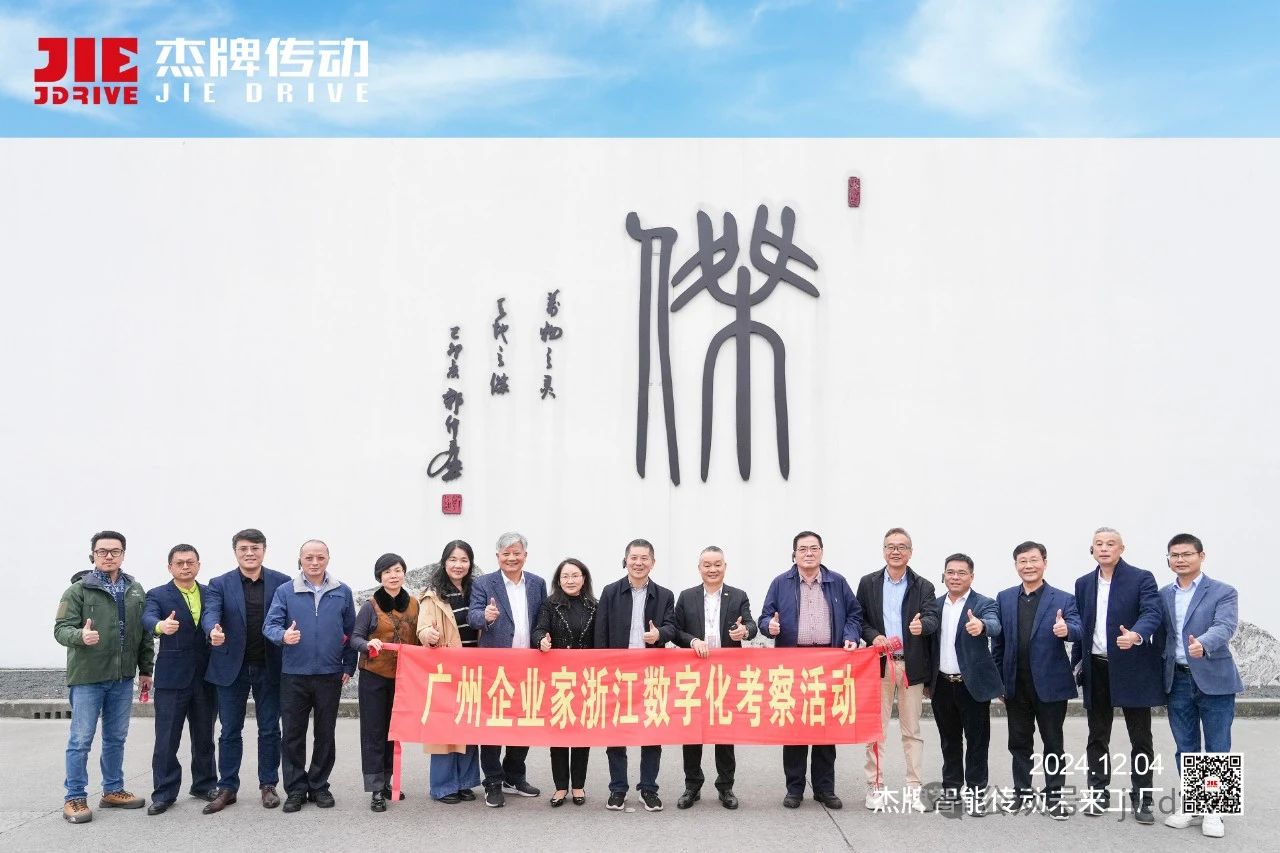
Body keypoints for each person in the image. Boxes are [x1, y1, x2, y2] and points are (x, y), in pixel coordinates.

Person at [53, 530, 154, 823]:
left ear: (123, 554)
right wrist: (80, 636)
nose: (108, 556)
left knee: (115, 738)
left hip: (122, 678)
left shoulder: (135, 590)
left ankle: (112, 790)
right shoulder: (77, 591)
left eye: (115, 551)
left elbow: (144, 634)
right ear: (93, 556)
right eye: (102, 551)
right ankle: (74, 797)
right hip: (88, 677)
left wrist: (146, 670)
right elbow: (60, 629)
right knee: (81, 739)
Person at [759, 530, 862, 810]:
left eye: (813, 548)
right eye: (802, 549)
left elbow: (855, 614)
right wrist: (770, 626)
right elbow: (765, 617)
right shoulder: (780, 583)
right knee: (795, 729)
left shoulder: (837, 582)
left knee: (825, 729)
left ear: (822, 552)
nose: (808, 553)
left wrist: (850, 635)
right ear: (794, 554)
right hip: (793, 664)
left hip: (829, 663)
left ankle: (824, 789)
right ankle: (794, 789)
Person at [1070, 527, 1164, 823]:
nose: (1104, 548)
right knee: (1097, 735)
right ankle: (1098, 792)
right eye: (1098, 544)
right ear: (1092, 550)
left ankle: (1143, 798)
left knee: (1141, 737)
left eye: (1111, 543)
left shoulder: (1141, 578)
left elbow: (1152, 613)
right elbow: (1083, 627)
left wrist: (1136, 634)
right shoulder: (1083, 583)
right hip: (1097, 667)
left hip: (1132, 666)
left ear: (1122, 549)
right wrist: (1077, 664)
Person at [263, 540, 357, 813]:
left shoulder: (342, 591)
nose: (314, 562)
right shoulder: (286, 591)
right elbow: (270, 625)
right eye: (309, 557)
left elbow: (351, 632)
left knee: (325, 733)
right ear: (300, 559)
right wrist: (283, 635)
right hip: (294, 674)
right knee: (293, 734)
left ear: (328, 558)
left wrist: (348, 666)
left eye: (320, 557)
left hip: (330, 673)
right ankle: (295, 789)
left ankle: (319, 786)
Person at [1160, 533, 1244, 839]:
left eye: (1186, 554)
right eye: (1174, 555)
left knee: (1218, 747)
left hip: (1214, 677)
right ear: (1169, 560)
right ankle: (1193, 804)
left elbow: (1225, 626)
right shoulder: (1163, 594)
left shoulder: (1223, 591)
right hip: (1178, 679)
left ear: (1201, 556)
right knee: (1186, 747)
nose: (1180, 559)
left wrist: (1203, 644)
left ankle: (1215, 810)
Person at [201, 528, 290, 813]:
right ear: (235, 552)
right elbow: (210, 613)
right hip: (231, 667)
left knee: (270, 729)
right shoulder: (219, 583)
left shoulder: (282, 582)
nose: (249, 553)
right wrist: (212, 631)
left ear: (264, 550)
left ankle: (268, 785)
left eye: (255, 548)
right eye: (243, 548)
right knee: (229, 730)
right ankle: (227, 787)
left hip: (270, 665)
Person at [991, 541, 1082, 820]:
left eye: (1034, 560)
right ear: (1016, 565)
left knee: (1053, 743)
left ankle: (1054, 797)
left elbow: (1079, 628)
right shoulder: (1005, 598)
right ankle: (1022, 794)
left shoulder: (1063, 598)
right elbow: (998, 644)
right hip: (1015, 684)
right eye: (1023, 561)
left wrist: (1066, 629)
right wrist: (999, 681)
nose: (1028, 566)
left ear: (1045, 562)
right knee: (1019, 743)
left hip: (1050, 685)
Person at [855, 527, 939, 812]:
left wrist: (922, 626)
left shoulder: (923, 586)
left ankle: (914, 787)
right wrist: (872, 636)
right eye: (890, 546)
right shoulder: (868, 583)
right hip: (878, 665)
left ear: (910, 553)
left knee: (912, 730)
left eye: (902, 546)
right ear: (883, 551)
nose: (895, 551)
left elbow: (932, 618)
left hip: (910, 665)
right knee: (875, 729)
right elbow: (859, 619)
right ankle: (875, 786)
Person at [595, 538, 678, 812]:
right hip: (617, 672)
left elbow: (672, 627)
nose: (638, 563)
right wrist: (602, 671)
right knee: (616, 734)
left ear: (652, 563)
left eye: (644, 558)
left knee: (652, 732)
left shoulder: (664, 595)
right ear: (626, 560)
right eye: (634, 558)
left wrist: (659, 634)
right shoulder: (610, 592)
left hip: (651, 672)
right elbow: (600, 634)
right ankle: (618, 789)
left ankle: (649, 789)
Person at [672, 546, 756, 810]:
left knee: (724, 730)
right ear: (699, 568)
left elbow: (752, 626)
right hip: (694, 673)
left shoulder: (738, 595)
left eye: (717, 564)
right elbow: (675, 631)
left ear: (725, 567)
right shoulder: (686, 596)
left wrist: (744, 631)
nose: (712, 569)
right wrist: (692, 640)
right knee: (692, 730)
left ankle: (726, 786)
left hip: (725, 674)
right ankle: (692, 786)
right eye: (707, 565)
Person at [468, 532, 548, 807]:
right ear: (498, 557)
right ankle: (492, 780)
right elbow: (473, 616)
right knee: (493, 725)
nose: (511, 558)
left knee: (524, 723)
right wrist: (485, 617)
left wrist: (542, 638)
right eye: (506, 554)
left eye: (516, 553)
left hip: (529, 667)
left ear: (525, 555)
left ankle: (514, 776)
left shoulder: (537, 583)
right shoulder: (483, 583)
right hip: (495, 668)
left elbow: (542, 620)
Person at [142, 544, 217, 815]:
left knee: (205, 736)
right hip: (172, 679)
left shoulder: (210, 593)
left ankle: (204, 784)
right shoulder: (158, 594)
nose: (185, 567)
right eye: (179, 563)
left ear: (198, 565)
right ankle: (164, 793)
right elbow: (148, 617)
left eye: (190, 562)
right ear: (170, 567)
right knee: (166, 739)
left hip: (206, 677)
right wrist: (160, 626)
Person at [928, 553, 1002, 817]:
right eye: (950, 572)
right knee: (949, 742)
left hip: (972, 686)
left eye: (961, 573)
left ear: (971, 576)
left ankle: (976, 794)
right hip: (942, 685)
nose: (955, 577)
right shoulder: (935, 605)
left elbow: (995, 625)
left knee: (977, 743)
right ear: (944, 575)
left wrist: (981, 625)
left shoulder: (983, 603)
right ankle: (951, 791)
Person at [350, 552, 420, 812]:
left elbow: (419, 637)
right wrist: (368, 644)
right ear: (380, 576)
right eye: (387, 571)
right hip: (374, 676)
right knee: (374, 732)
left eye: (398, 570)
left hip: (403, 677)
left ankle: (388, 781)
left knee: (395, 731)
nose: (393, 575)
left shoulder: (414, 604)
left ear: (404, 573)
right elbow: (355, 637)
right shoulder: (370, 606)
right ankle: (376, 788)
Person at [418, 540, 482, 804]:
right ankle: (443, 786)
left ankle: (465, 783)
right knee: (444, 728)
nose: (458, 565)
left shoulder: (477, 590)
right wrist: (428, 635)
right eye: (453, 559)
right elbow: (422, 628)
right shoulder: (433, 594)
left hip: (475, 669)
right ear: (444, 562)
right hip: (445, 669)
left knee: (469, 725)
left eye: (464, 560)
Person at [533, 558, 599, 807]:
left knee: (582, 734)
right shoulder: (550, 604)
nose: (570, 580)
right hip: (558, 679)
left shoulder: (595, 605)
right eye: (565, 576)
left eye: (575, 575)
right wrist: (541, 641)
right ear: (558, 580)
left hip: (586, 679)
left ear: (584, 578)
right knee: (559, 733)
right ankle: (560, 787)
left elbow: (602, 639)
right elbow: (538, 630)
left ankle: (578, 785)